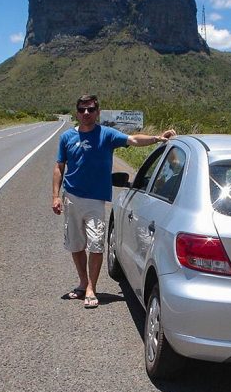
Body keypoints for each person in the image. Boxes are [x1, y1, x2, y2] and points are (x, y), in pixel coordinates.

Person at [52, 94, 176, 309]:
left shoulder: (107, 135)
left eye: (90, 109)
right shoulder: (67, 138)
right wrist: (55, 196)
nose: (86, 114)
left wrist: (157, 138)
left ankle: (92, 287)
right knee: (76, 244)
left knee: (97, 244)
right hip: (71, 197)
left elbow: (134, 140)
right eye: (82, 110)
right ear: (77, 113)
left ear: (97, 112)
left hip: (95, 201)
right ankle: (82, 283)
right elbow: (59, 166)